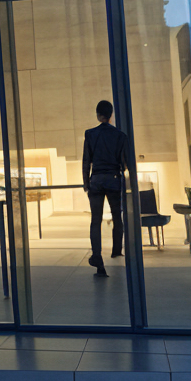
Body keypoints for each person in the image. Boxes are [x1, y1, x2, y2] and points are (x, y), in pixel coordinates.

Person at [82, 99, 129, 278]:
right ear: (111, 116)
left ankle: (97, 256)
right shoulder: (120, 136)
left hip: (96, 180)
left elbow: (86, 161)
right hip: (114, 180)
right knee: (117, 216)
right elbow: (124, 163)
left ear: (98, 115)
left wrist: (86, 183)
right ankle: (116, 250)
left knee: (96, 220)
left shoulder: (90, 134)